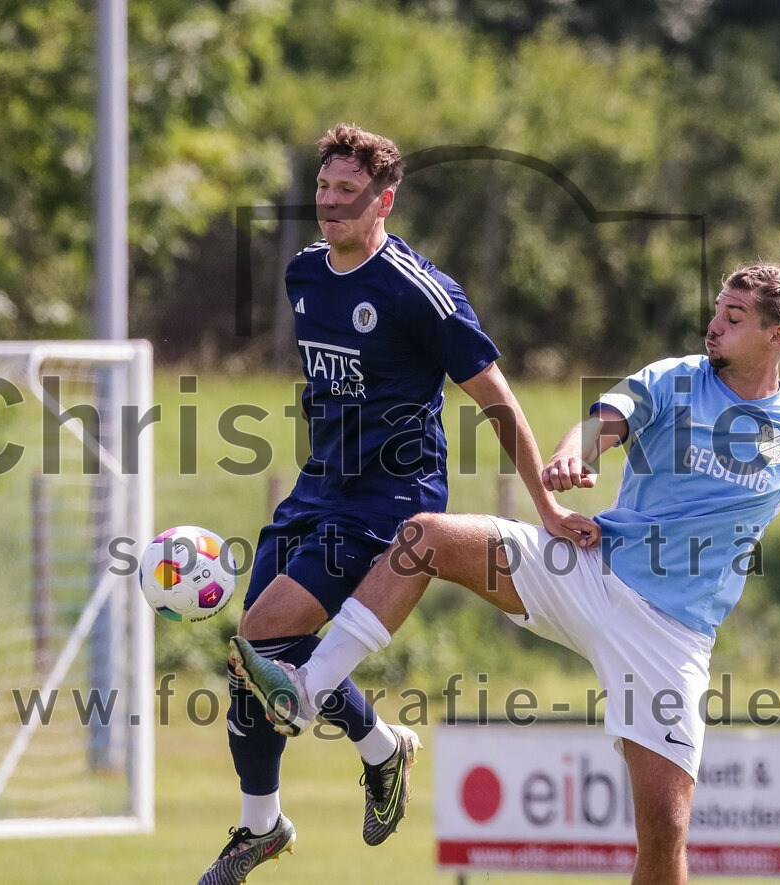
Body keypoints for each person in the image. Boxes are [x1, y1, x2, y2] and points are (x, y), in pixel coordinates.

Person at [230, 263, 780, 884]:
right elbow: (602, 423)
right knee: (425, 536)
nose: (714, 325)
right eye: (716, 311)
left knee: (665, 832)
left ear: (778, 336)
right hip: (588, 572)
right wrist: (571, 458)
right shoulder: (675, 377)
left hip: (669, 638)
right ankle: (308, 690)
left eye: (734, 317)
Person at [200, 124, 596, 884]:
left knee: (262, 636)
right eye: (322, 189)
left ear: (384, 199)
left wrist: (544, 506)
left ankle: (287, 814)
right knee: (255, 664)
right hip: (319, 485)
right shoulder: (304, 273)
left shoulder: (423, 294)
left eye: (348, 193)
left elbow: (499, 401)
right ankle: (332, 781)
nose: (330, 205)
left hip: (390, 498)